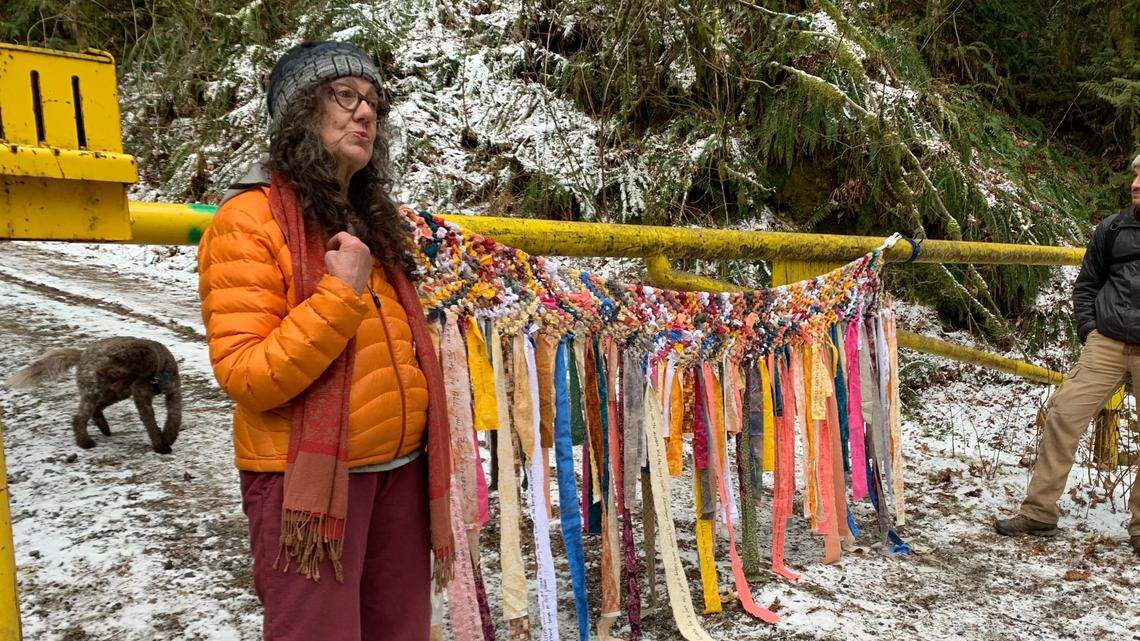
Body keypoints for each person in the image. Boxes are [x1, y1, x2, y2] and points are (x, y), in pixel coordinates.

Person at [197, 41, 453, 641]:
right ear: (299, 115)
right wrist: (340, 296)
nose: (365, 113)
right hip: (308, 491)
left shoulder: (369, 217)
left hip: (400, 476)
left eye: (373, 102)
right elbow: (247, 374)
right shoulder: (248, 221)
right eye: (345, 96)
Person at [995, 153, 1140, 557]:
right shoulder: (1112, 229)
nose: (1136, 183)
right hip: (1107, 342)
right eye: (1135, 174)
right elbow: (1086, 284)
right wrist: (1089, 331)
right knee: (1062, 413)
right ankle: (1039, 512)